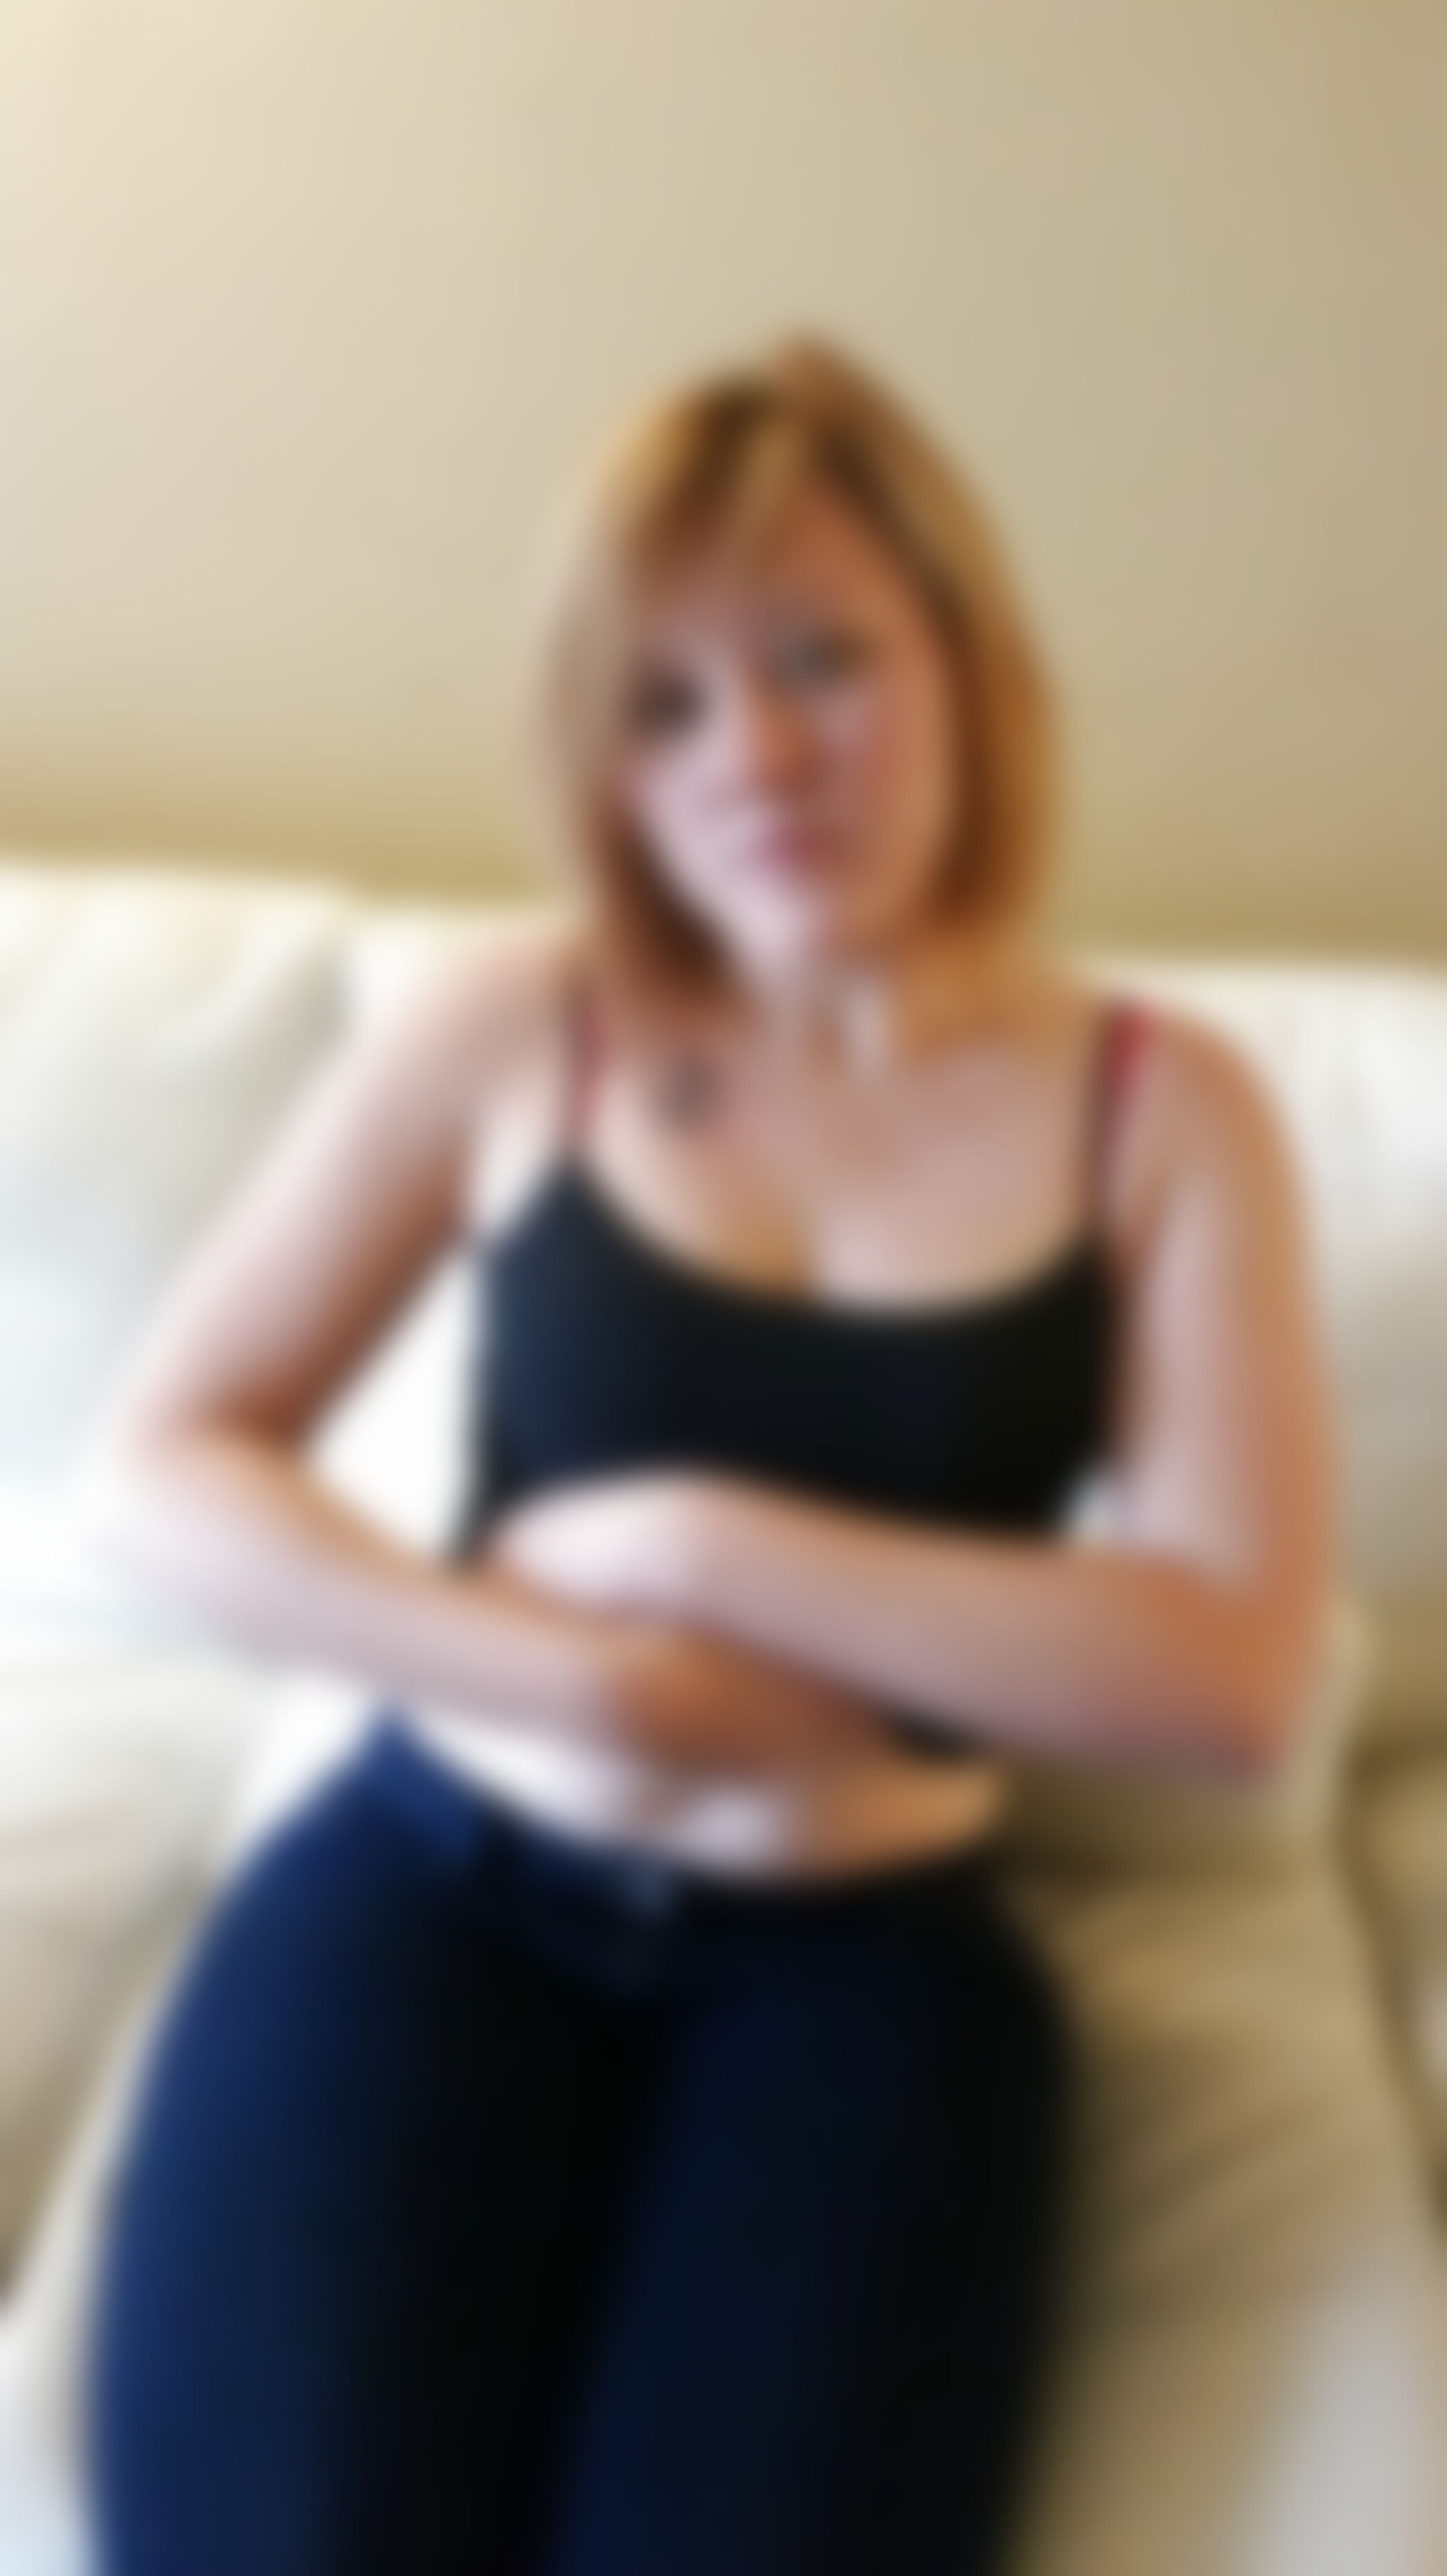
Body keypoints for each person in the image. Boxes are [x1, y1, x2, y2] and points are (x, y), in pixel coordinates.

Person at [82, 330, 1338, 2576]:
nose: (751, 752)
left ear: (961, 660)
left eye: (817, 658)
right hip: (431, 1901)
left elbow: (1229, 1679)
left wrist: (690, 1540)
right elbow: (170, 1458)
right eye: (662, 702)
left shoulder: (1164, 1111)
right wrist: (567, 1675)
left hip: (863, 1989)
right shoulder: (518, 1022)